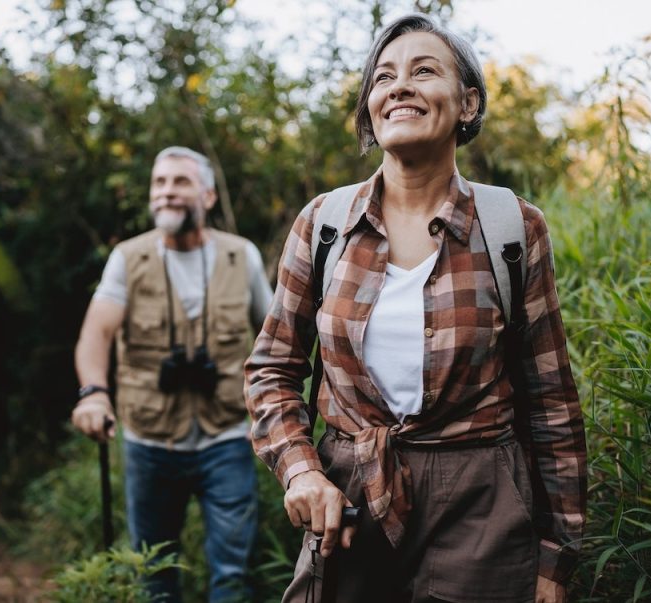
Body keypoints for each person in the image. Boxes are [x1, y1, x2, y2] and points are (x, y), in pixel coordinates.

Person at [245, 14, 587, 603]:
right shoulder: (324, 225)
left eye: (423, 71)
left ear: (468, 103)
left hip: (482, 500)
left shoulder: (512, 227)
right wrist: (302, 470)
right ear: (370, 108)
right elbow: (272, 371)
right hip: (348, 499)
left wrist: (557, 557)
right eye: (382, 78)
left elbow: (550, 398)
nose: (398, 86)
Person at [72, 146, 273, 602]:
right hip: (149, 443)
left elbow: (274, 340)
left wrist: (267, 413)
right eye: (159, 183)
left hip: (226, 439)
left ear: (207, 194)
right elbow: (95, 335)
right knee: (154, 574)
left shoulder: (241, 257)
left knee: (233, 576)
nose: (167, 192)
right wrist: (94, 394)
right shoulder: (128, 258)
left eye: (179, 182)